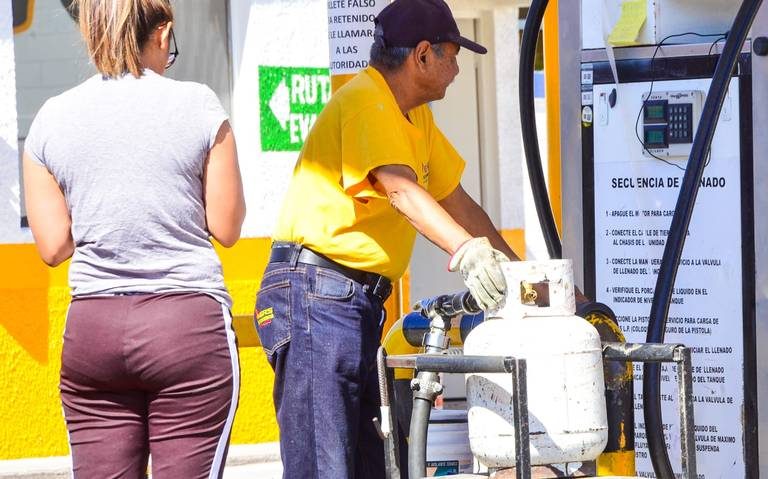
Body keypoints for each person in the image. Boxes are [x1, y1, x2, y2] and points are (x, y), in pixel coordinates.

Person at [254, 0, 527, 477]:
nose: (457, 69)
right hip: (316, 297)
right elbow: (400, 189)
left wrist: (524, 276)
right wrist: (466, 252)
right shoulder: (367, 100)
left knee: (373, 466)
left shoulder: (414, 118)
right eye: (452, 55)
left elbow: (458, 204)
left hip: (349, 303)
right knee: (325, 467)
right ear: (421, 55)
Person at [22, 0, 246, 477]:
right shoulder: (198, 104)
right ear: (162, 34)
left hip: (94, 331)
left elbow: (54, 247)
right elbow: (227, 228)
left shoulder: (51, 118)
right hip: (186, 325)